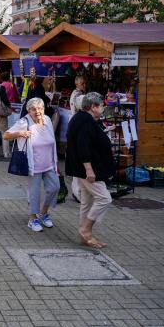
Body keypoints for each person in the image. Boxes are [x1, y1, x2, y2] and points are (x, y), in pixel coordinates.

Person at [66, 92, 114, 249]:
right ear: (93, 107)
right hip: (87, 170)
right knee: (104, 198)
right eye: (101, 106)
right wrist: (89, 170)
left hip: (83, 168)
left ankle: (83, 236)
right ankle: (85, 229)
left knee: (87, 202)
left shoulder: (83, 118)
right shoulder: (85, 121)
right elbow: (83, 146)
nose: (103, 108)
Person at [4, 98, 60, 232]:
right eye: (34, 109)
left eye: (40, 108)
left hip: (49, 163)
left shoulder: (47, 120)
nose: (37, 112)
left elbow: (52, 142)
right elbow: (6, 135)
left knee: (55, 188)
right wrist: (20, 133)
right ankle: (32, 219)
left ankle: (43, 213)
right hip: (33, 165)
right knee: (34, 193)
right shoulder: (24, 122)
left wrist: (56, 163)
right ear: (29, 111)